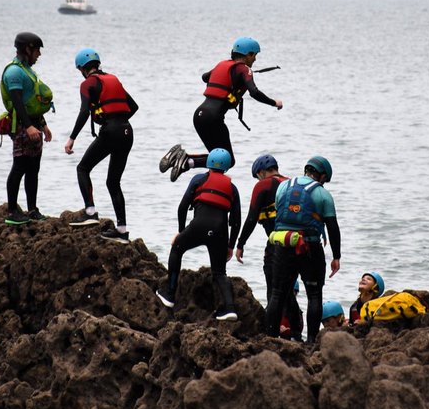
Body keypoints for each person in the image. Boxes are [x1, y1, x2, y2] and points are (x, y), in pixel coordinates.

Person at [159, 37, 282, 182]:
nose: (255, 59)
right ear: (248, 54)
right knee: (228, 160)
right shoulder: (244, 69)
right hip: (213, 118)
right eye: (254, 55)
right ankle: (185, 160)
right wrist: (274, 102)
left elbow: (205, 77)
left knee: (217, 158)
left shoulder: (222, 65)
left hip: (199, 116)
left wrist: (229, 79)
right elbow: (254, 92)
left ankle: (185, 161)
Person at [155, 148, 242, 321]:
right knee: (219, 272)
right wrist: (231, 246)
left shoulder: (198, 179)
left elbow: (182, 207)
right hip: (220, 231)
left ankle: (170, 295)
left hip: (198, 226)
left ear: (208, 163)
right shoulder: (232, 188)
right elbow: (236, 220)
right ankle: (230, 309)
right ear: (226, 167)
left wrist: (181, 232)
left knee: (177, 249)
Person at [263, 155, 341, 343]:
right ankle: (311, 341)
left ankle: (270, 338)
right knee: (314, 295)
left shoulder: (284, 186)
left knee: (277, 294)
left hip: (283, 244)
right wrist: (336, 256)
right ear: (322, 176)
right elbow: (332, 227)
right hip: (310, 247)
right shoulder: (323, 194)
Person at [64, 48, 138, 242]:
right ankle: (122, 231)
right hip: (127, 131)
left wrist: (72, 138)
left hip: (111, 131)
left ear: (81, 68)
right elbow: (134, 106)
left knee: (83, 168)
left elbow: (84, 112)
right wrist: (118, 120)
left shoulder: (88, 83)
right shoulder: (113, 79)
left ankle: (90, 212)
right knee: (113, 182)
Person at [235, 153, 301, 338]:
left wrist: (240, 243)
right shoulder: (292, 183)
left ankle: (271, 336)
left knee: (274, 290)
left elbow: (252, 216)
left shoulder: (263, 185)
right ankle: (298, 335)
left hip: (277, 244)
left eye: (258, 175)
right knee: (287, 291)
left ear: (262, 172)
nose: (258, 178)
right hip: (298, 243)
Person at [0, 32, 53, 225]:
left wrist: (43, 125)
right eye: (37, 50)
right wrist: (29, 126)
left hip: (34, 124)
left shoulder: (27, 70)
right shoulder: (14, 72)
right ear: (28, 49)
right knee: (20, 166)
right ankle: (12, 211)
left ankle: (32, 210)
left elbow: (32, 102)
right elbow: (17, 102)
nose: (39, 54)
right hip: (22, 126)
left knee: (33, 168)